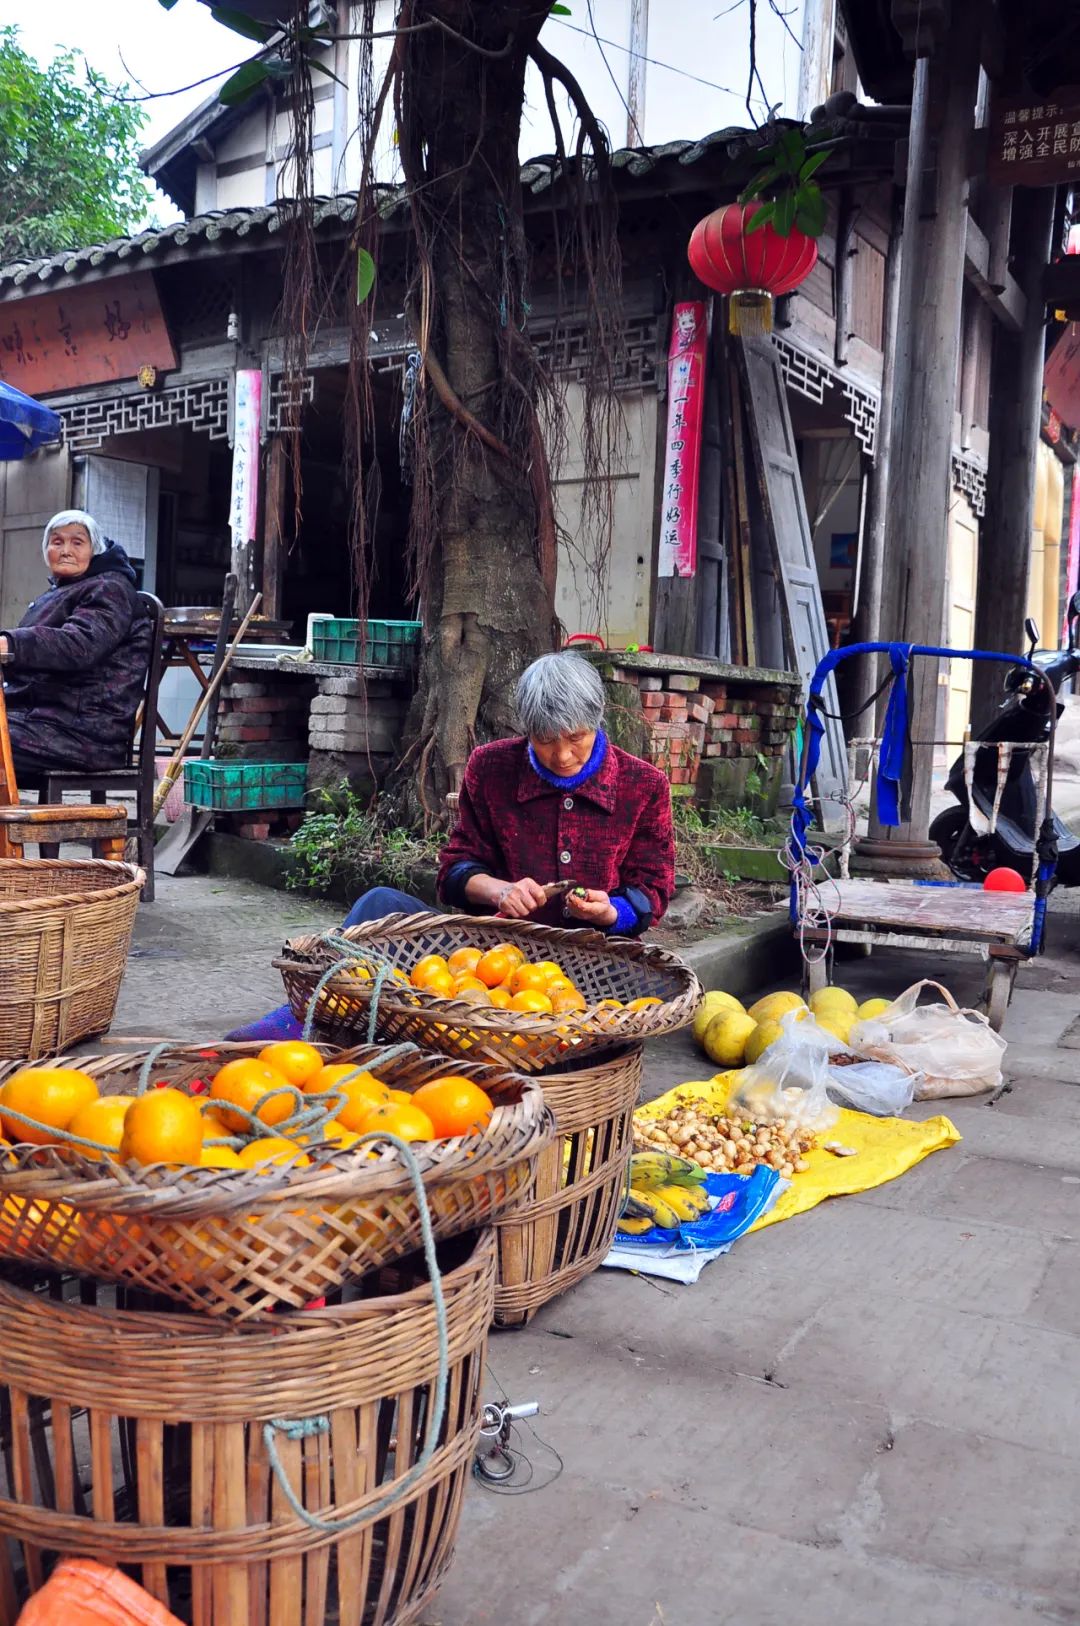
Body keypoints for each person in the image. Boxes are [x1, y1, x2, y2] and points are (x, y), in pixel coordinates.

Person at [226, 651, 675, 1042]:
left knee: (637, 998)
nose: (561, 756)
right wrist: (498, 890)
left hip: (580, 971)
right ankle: (311, 1014)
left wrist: (611, 912)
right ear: (527, 731)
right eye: (545, 741)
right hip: (481, 958)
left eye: (576, 738)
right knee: (379, 904)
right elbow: (456, 870)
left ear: (596, 722)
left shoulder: (644, 785)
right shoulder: (493, 766)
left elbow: (653, 890)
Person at [0, 510, 152, 778]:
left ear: (95, 549)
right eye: (57, 542)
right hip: (41, 718)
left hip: (81, 733)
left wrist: (10, 644)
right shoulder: (62, 590)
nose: (66, 551)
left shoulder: (109, 589)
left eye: (77, 542)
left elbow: (79, 645)